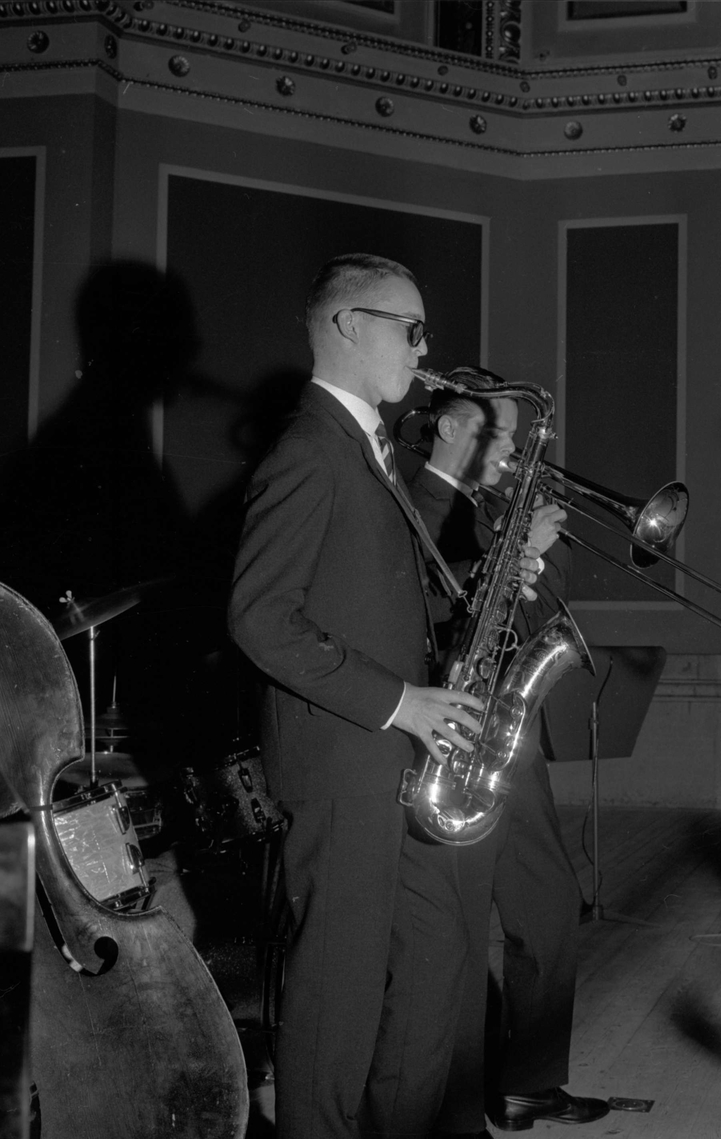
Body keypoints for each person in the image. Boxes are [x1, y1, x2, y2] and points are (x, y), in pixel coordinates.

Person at [227, 254, 487, 1139]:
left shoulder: (365, 446)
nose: (426, 347)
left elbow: (381, 592)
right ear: (349, 327)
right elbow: (260, 618)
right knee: (336, 994)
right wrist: (401, 704)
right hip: (343, 762)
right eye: (410, 328)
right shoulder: (308, 449)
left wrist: (491, 584)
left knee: (434, 953)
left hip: (390, 761)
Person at [407, 374, 610, 1137]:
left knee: (550, 905)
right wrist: (508, 556)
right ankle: (453, 1105)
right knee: (454, 932)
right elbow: (418, 616)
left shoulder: (494, 508)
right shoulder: (411, 498)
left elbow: (533, 614)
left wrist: (528, 568)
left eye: (521, 441)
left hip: (505, 735)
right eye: (501, 438)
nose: (515, 454)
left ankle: (529, 1081)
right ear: (455, 430)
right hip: (444, 740)